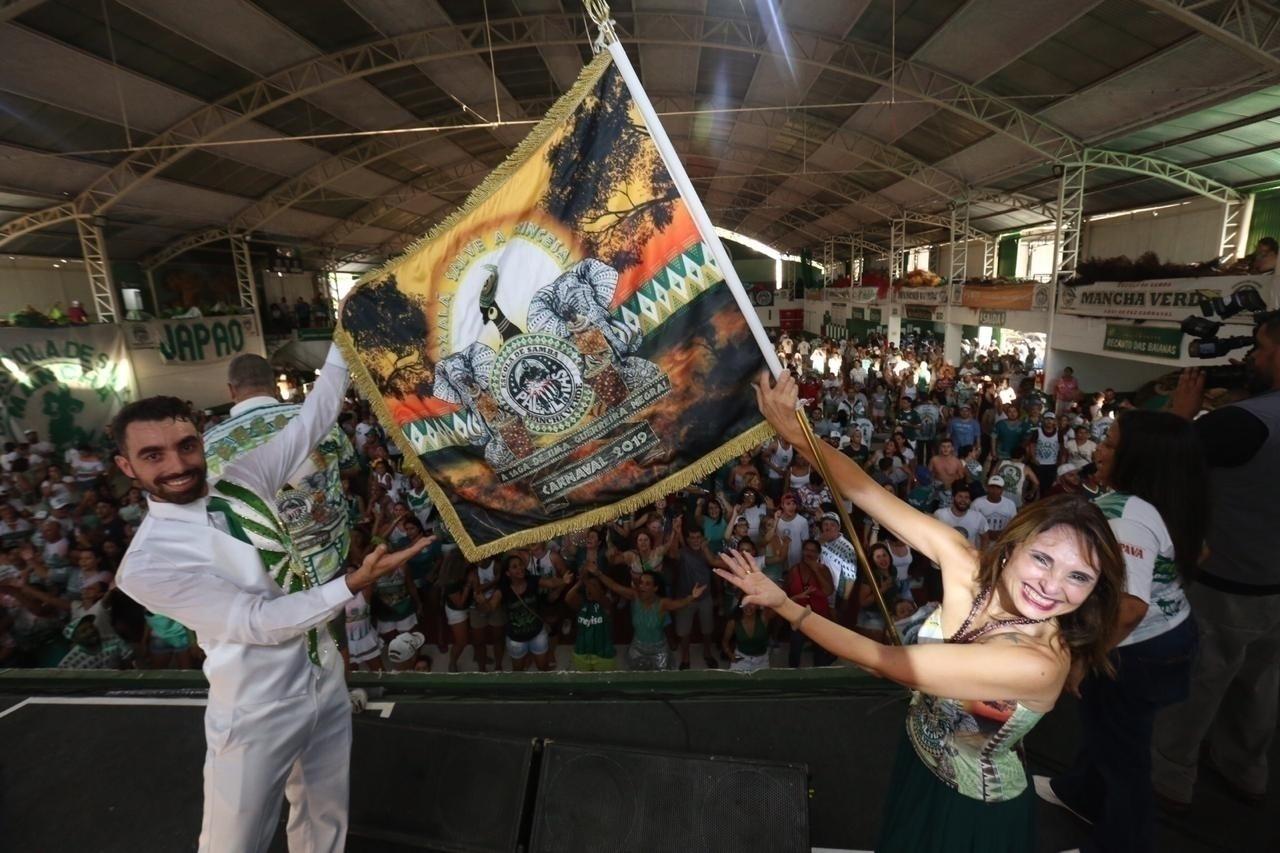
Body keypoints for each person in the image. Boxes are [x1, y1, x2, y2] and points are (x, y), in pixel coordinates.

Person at [719, 370, 1124, 852]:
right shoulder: (963, 561)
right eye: (1043, 559)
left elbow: (884, 661)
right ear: (1013, 545)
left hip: (973, 811)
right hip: (918, 765)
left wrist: (785, 605)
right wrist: (795, 434)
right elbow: (866, 492)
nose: (1053, 587)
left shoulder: (1038, 662)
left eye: (1079, 577)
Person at [113, 344, 433, 853]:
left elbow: (315, 417)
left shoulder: (240, 479)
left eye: (186, 446)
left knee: (325, 819)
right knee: (232, 843)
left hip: (324, 676)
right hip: (255, 708)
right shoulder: (147, 565)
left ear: (202, 440)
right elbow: (259, 622)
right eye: (153, 455)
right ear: (127, 467)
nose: (177, 464)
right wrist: (351, 584)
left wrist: (342, 337)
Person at [1038, 410, 1207, 853]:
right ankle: (1081, 793)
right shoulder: (1165, 499)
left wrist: (1083, 659)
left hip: (1136, 649)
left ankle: (1124, 843)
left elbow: (1131, 606)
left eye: (1110, 443)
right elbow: (1198, 554)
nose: (1099, 449)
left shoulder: (1128, 516)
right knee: (1104, 728)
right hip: (1166, 635)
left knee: (1124, 758)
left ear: (1138, 458)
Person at [1152, 323, 1280, 810]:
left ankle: (1170, 772)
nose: (1254, 357)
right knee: (1260, 684)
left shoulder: (1244, 423)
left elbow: (1164, 470)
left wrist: (1181, 419)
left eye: (1263, 349)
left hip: (1224, 583)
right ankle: (1246, 767)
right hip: (1274, 586)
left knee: (1198, 682)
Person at [205, 354, 358, 591]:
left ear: (231, 390)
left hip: (265, 574)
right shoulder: (315, 419)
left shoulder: (207, 447)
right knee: (336, 617)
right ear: (275, 384)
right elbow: (352, 468)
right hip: (329, 557)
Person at [586, 566, 705, 671]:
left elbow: (680, 603)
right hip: (637, 649)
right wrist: (598, 573)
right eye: (641, 582)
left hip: (659, 652)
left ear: (655, 588)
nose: (642, 586)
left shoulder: (662, 604)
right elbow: (614, 586)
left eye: (647, 584)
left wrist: (692, 597)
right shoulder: (635, 596)